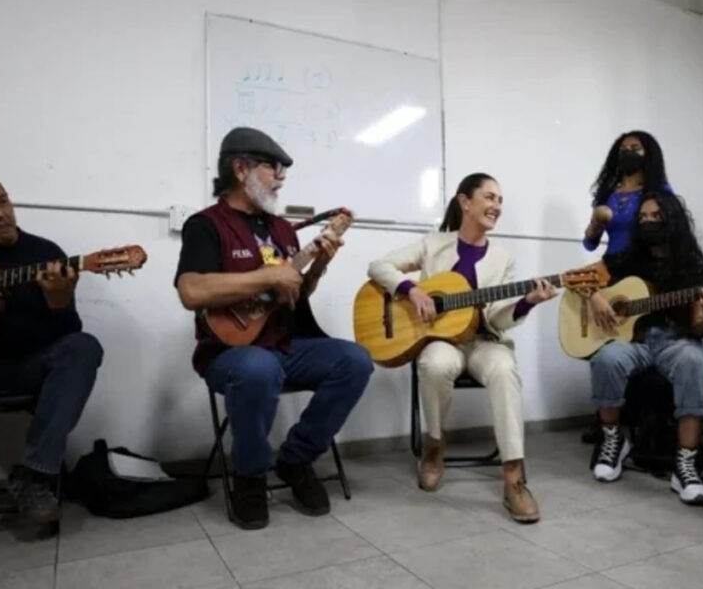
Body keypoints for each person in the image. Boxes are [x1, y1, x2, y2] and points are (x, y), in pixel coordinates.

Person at [175, 127, 373, 530]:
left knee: (356, 360)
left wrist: (316, 267)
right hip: (228, 354)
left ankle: (295, 461)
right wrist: (267, 276)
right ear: (241, 168)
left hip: (285, 344)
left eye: (283, 170)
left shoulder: (282, 230)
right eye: (274, 168)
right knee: (257, 369)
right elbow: (191, 291)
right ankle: (250, 477)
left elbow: (293, 293)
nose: (281, 177)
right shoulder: (206, 224)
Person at [367, 173, 558, 524]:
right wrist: (412, 290)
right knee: (435, 365)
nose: (497, 206)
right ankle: (435, 446)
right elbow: (378, 266)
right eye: (489, 197)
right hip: (439, 340)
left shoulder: (503, 259)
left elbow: (497, 320)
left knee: (504, 370)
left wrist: (527, 302)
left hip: (484, 341)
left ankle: (514, 478)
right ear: (465, 202)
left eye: (500, 200)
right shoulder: (432, 245)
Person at [0, 169, 103, 531]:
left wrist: (59, 302)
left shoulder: (44, 254)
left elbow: (66, 334)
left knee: (82, 347)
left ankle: (35, 477)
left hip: (25, 367)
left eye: (2, 201)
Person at [587, 191, 703, 506]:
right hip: (634, 340)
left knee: (693, 358)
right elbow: (582, 279)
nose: (648, 222)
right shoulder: (627, 258)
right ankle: (613, 439)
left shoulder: (693, 264)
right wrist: (594, 296)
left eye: (655, 217)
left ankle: (686, 462)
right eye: (643, 218)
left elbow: (701, 328)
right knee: (606, 357)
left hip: (677, 339)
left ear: (671, 219)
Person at [583, 131, 672, 258]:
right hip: (612, 267)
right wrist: (595, 225)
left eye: (635, 149)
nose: (628, 153)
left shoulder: (660, 190)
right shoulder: (608, 193)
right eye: (623, 150)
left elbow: (673, 233)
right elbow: (589, 245)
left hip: (647, 268)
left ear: (649, 155)